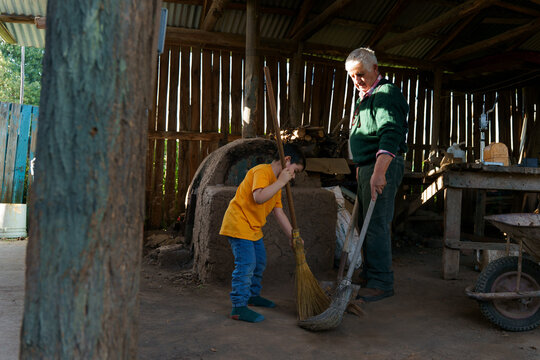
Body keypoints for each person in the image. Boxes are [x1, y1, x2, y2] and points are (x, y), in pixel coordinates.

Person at [345, 47, 408, 302]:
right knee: (365, 223)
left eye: (360, 74)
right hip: (368, 166)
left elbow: (391, 133)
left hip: (383, 166)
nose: (356, 80)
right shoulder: (367, 97)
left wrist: (379, 172)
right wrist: (362, 166)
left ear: (375, 70)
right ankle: (370, 273)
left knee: (377, 224)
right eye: (352, 76)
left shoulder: (386, 94)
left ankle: (381, 282)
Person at [219, 143, 306, 322]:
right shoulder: (262, 171)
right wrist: (282, 181)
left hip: (253, 228)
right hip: (238, 223)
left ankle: (252, 295)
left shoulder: (277, 184)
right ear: (287, 160)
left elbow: (278, 212)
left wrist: (293, 236)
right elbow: (259, 197)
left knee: (259, 262)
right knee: (247, 264)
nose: (294, 176)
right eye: (295, 170)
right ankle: (239, 306)